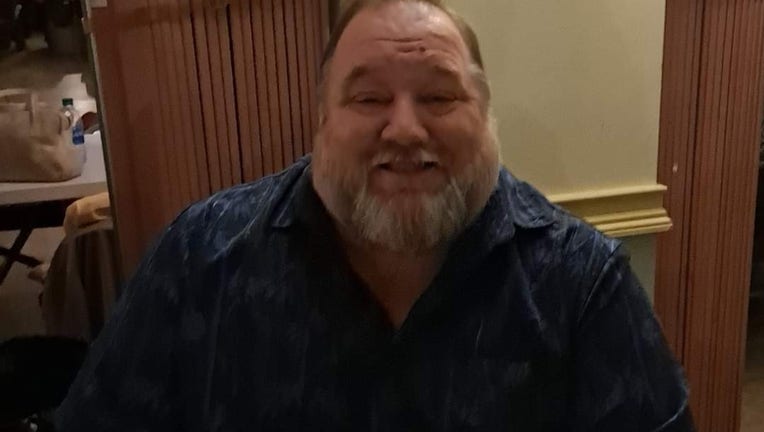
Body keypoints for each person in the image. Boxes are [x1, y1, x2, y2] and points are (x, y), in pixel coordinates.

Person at [56, 0, 693, 430]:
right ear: (321, 121)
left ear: (487, 118)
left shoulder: (584, 287)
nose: (405, 128)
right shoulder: (200, 257)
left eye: (440, 96)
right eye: (368, 97)